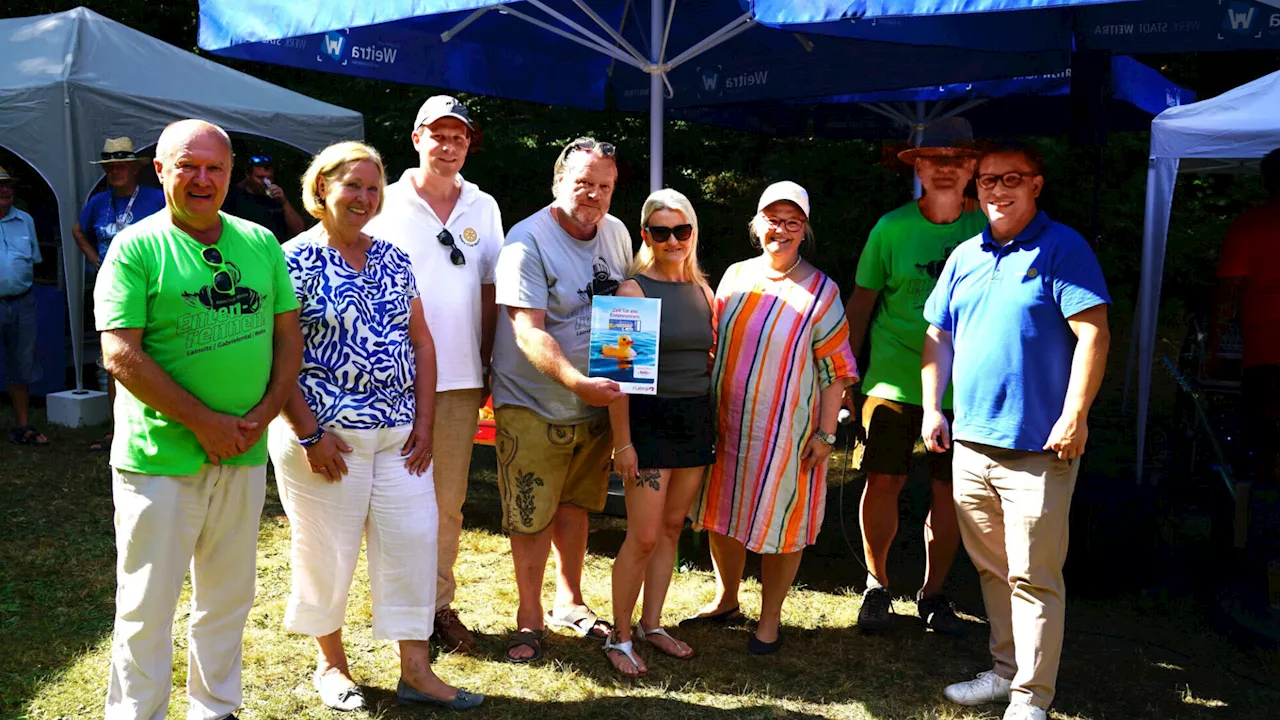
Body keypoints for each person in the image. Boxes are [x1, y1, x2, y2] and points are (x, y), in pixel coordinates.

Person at [95, 119, 304, 720]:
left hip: (242, 450)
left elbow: (287, 338)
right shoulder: (136, 246)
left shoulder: (260, 243)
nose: (202, 179)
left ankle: (215, 709)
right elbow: (120, 353)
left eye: (215, 167)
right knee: (147, 604)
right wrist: (205, 421)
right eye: (187, 165)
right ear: (160, 171)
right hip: (160, 457)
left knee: (228, 597)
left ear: (232, 174)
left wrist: (264, 413)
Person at [268, 141, 482, 711]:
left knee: (415, 545)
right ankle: (331, 666)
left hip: (399, 438)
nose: (363, 197)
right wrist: (310, 434)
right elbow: (277, 354)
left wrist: (426, 423)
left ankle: (416, 670)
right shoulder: (288, 260)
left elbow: (421, 340)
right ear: (321, 190)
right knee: (326, 551)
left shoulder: (392, 256)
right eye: (351, 186)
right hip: (324, 441)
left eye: (372, 187)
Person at [922, 144, 1110, 720]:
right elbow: (938, 336)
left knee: (1034, 576)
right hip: (971, 443)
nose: (996, 191)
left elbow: (1094, 334)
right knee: (993, 570)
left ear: (1037, 185)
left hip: (1039, 448)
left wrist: (1074, 415)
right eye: (986, 182)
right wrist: (933, 408)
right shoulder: (965, 254)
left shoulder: (1064, 248)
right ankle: (1006, 673)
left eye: (1010, 180)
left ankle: (1032, 699)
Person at [687, 181, 858, 655]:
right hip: (728, 423)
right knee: (723, 512)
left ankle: (770, 617)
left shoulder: (822, 290)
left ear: (805, 229)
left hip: (788, 431)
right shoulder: (736, 275)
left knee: (785, 521)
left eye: (792, 221)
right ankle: (726, 599)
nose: (780, 229)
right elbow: (713, 344)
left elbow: (836, 370)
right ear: (756, 225)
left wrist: (826, 432)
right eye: (772, 219)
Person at [364, 96, 503, 652]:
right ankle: (393, 608)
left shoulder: (483, 205)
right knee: (383, 501)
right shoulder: (383, 200)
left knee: (446, 502)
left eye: (459, 138)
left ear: (469, 144)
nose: (448, 147)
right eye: (438, 135)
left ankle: (437, 607)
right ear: (416, 138)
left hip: (461, 378)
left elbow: (491, 288)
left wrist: (491, 361)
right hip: (388, 377)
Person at [490, 137, 631, 663]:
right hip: (533, 402)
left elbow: (628, 306)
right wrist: (579, 383)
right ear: (557, 183)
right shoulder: (526, 241)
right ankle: (528, 620)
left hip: (594, 404)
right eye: (582, 183)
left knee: (576, 506)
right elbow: (528, 333)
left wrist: (617, 383)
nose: (593, 195)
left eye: (604, 186)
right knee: (530, 512)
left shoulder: (614, 233)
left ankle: (569, 602)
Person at [844, 118, 986, 635]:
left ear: (973, 167)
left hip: (968, 387)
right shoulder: (892, 228)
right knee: (883, 479)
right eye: (935, 159)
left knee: (949, 492)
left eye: (957, 159)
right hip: (891, 379)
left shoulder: (992, 227)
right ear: (917, 166)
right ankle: (876, 586)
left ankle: (934, 595)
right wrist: (847, 374)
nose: (946, 170)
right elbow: (861, 304)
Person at [604, 188, 716, 676]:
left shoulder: (704, 290)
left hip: (695, 419)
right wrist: (622, 442)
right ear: (646, 235)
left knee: (673, 528)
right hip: (647, 423)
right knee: (644, 535)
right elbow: (617, 378)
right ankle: (619, 635)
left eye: (682, 230)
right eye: (662, 231)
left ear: (692, 233)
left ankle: (652, 625)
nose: (673, 240)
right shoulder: (633, 291)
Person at [73, 136, 167, 452]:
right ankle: (119, 431)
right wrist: (91, 257)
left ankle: (159, 424)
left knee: (157, 356)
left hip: (153, 290)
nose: (116, 171)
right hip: (112, 292)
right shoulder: (99, 202)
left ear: (134, 169)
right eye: (111, 166)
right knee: (117, 360)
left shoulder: (156, 198)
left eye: (122, 165)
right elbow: (77, 229)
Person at [1207, 147, 1280, 485]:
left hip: (1265, 352)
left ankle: (1261, 520)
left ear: (1266, 182)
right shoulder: (1248, 225)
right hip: (1263, 351)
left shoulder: (1249, 225)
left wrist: (1214, 347)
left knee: (1265, 442)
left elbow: (1228, 292)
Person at [0, 165, 48, 446]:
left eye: (8, 185)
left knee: (22, 364)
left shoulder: (25, 220)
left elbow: (33, 260)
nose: (5, 190)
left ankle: (22, 425)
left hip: (22, 301)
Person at [223, 154, 306, 242]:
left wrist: (284, 202)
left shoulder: (277, 197)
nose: (265, 182)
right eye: (260, 177)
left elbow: (299, 229)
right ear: (248, 175)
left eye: (269, 178)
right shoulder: (234, 197)